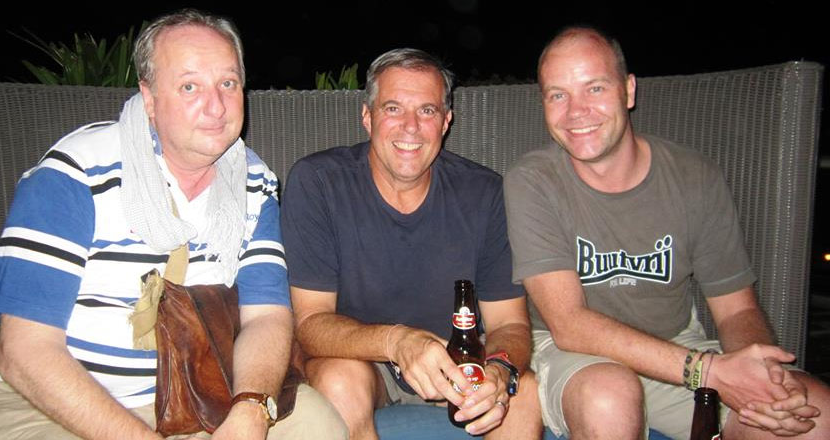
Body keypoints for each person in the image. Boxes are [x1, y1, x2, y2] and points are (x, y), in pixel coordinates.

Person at [0, 9, 346, 440]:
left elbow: (266, 316)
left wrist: (251, 410)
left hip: (195, 392)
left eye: (228, 84)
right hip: (44, 401)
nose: (216, 106)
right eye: (190, 86)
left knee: (318, 424)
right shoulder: (77, 171)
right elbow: (23, 352)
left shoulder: (254, 182)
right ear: (149, 98)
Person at [503, 26, 830, 439]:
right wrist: (706, 371)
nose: (576, 111)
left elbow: (736, 311)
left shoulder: (694, 177)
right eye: (557, 95)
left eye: (595, 88)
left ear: (628, 91)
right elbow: (570, 324)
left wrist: (763, 377)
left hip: (677, 345)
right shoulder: (533, 181)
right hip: (574, 355)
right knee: (608, 397)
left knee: (815, 414)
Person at [281, 48, 542, 440]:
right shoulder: (318, 183)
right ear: (367, 117)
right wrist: (398, 341)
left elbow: (509, 323)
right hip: (366, 361)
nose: (411, 127)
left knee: (526, 394)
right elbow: (310, 324)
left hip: (461, 364)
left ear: (446, 121)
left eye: (427, 111)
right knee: (338, 380)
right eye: (393, 109)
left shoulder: (485, 193)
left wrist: (500, 370)